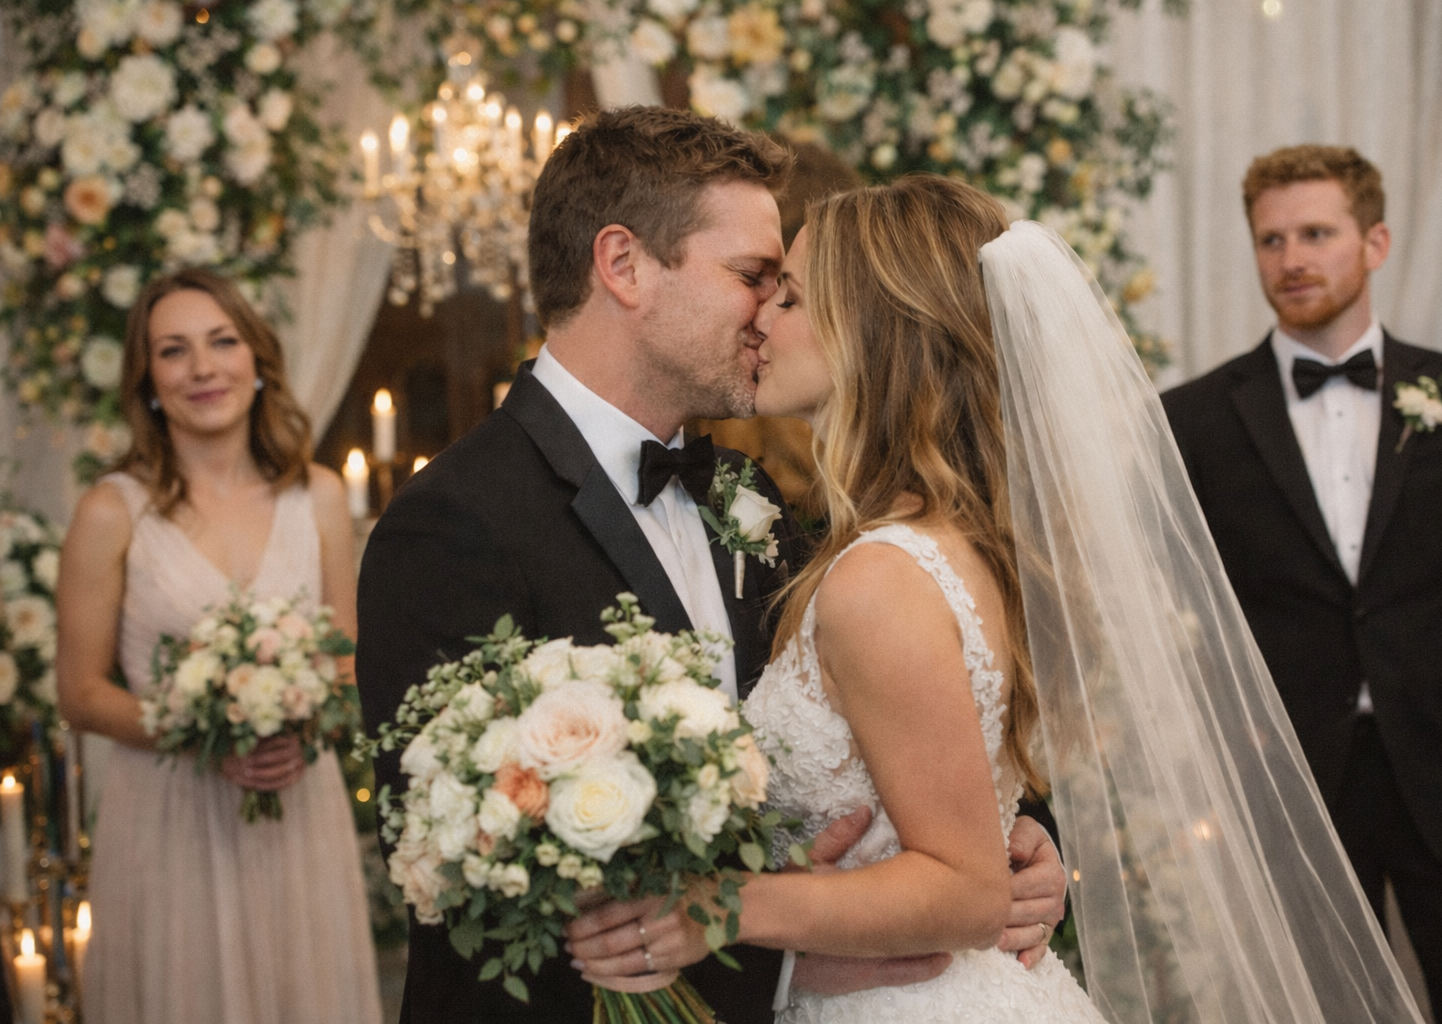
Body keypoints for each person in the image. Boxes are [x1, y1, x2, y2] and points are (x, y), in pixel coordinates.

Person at [569, 176, 1432, 1024]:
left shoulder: (883, 574)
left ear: (871, 331)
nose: (761, 318)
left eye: (789, 297)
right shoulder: (949, 539)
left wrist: (718, 908)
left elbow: (965, 888)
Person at [355, 107, 1066, 1024]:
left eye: (783, 289)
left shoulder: (744, 494)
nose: (767, 311)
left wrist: (1018, 841)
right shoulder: (454, 523)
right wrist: (783, 965)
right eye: (751, 276)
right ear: (624, 266)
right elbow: (459, 871)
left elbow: (904, 718)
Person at [1161, 145, 1442, 1024]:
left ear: (1376, 242)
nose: (1291, 259)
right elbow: (1189, 615)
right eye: (1272, 240)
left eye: (1316, 234)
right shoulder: (1192, 419)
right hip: (1294, 780)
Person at [55, 268, 382, 1023]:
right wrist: (201, 734)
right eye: (173, 351)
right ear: (147, 382)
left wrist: (305, 727)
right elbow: (80, 693)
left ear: (258, 361)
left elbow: (345, 662)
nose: (202, 368)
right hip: (169, 818)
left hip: (297, 812)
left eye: (222, 342)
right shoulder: (112, 511)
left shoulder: (318, 496)